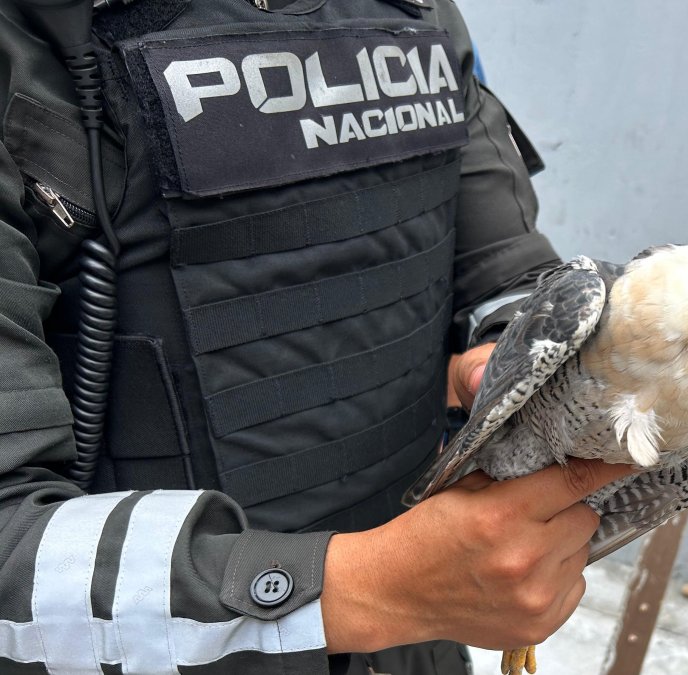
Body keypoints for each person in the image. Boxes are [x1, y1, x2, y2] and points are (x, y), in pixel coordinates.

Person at [0, 0, 631, 672]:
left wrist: (510, 366)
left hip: (416, 644)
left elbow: (511, 282)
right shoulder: (31, 43)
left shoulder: (416, 13)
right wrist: (367, 587)